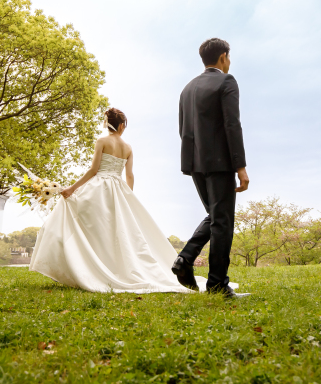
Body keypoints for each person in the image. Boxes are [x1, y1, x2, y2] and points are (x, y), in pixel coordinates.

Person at [29, 107, 200, 293]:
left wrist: (72, 188)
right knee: (114, 231)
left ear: (107, 123)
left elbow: (94, 170)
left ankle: (87, 265)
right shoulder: (128, 148)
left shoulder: (102, 141)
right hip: (118, 188)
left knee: (91, 227)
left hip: (99, 188)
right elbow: (130, 176)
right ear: (120, 126)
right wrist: (128, 198)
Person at [172, 38, 249, 298]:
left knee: (216, 217)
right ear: (224, 57)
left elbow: (182, 128)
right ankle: (217, 284)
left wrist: (193, 160)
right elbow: (232, 125)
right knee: (223, 221)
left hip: (194, 162)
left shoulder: (187, 88)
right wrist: (240, 167)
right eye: (229, 57)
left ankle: (184, 259)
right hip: (220, 163)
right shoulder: (227, 81)